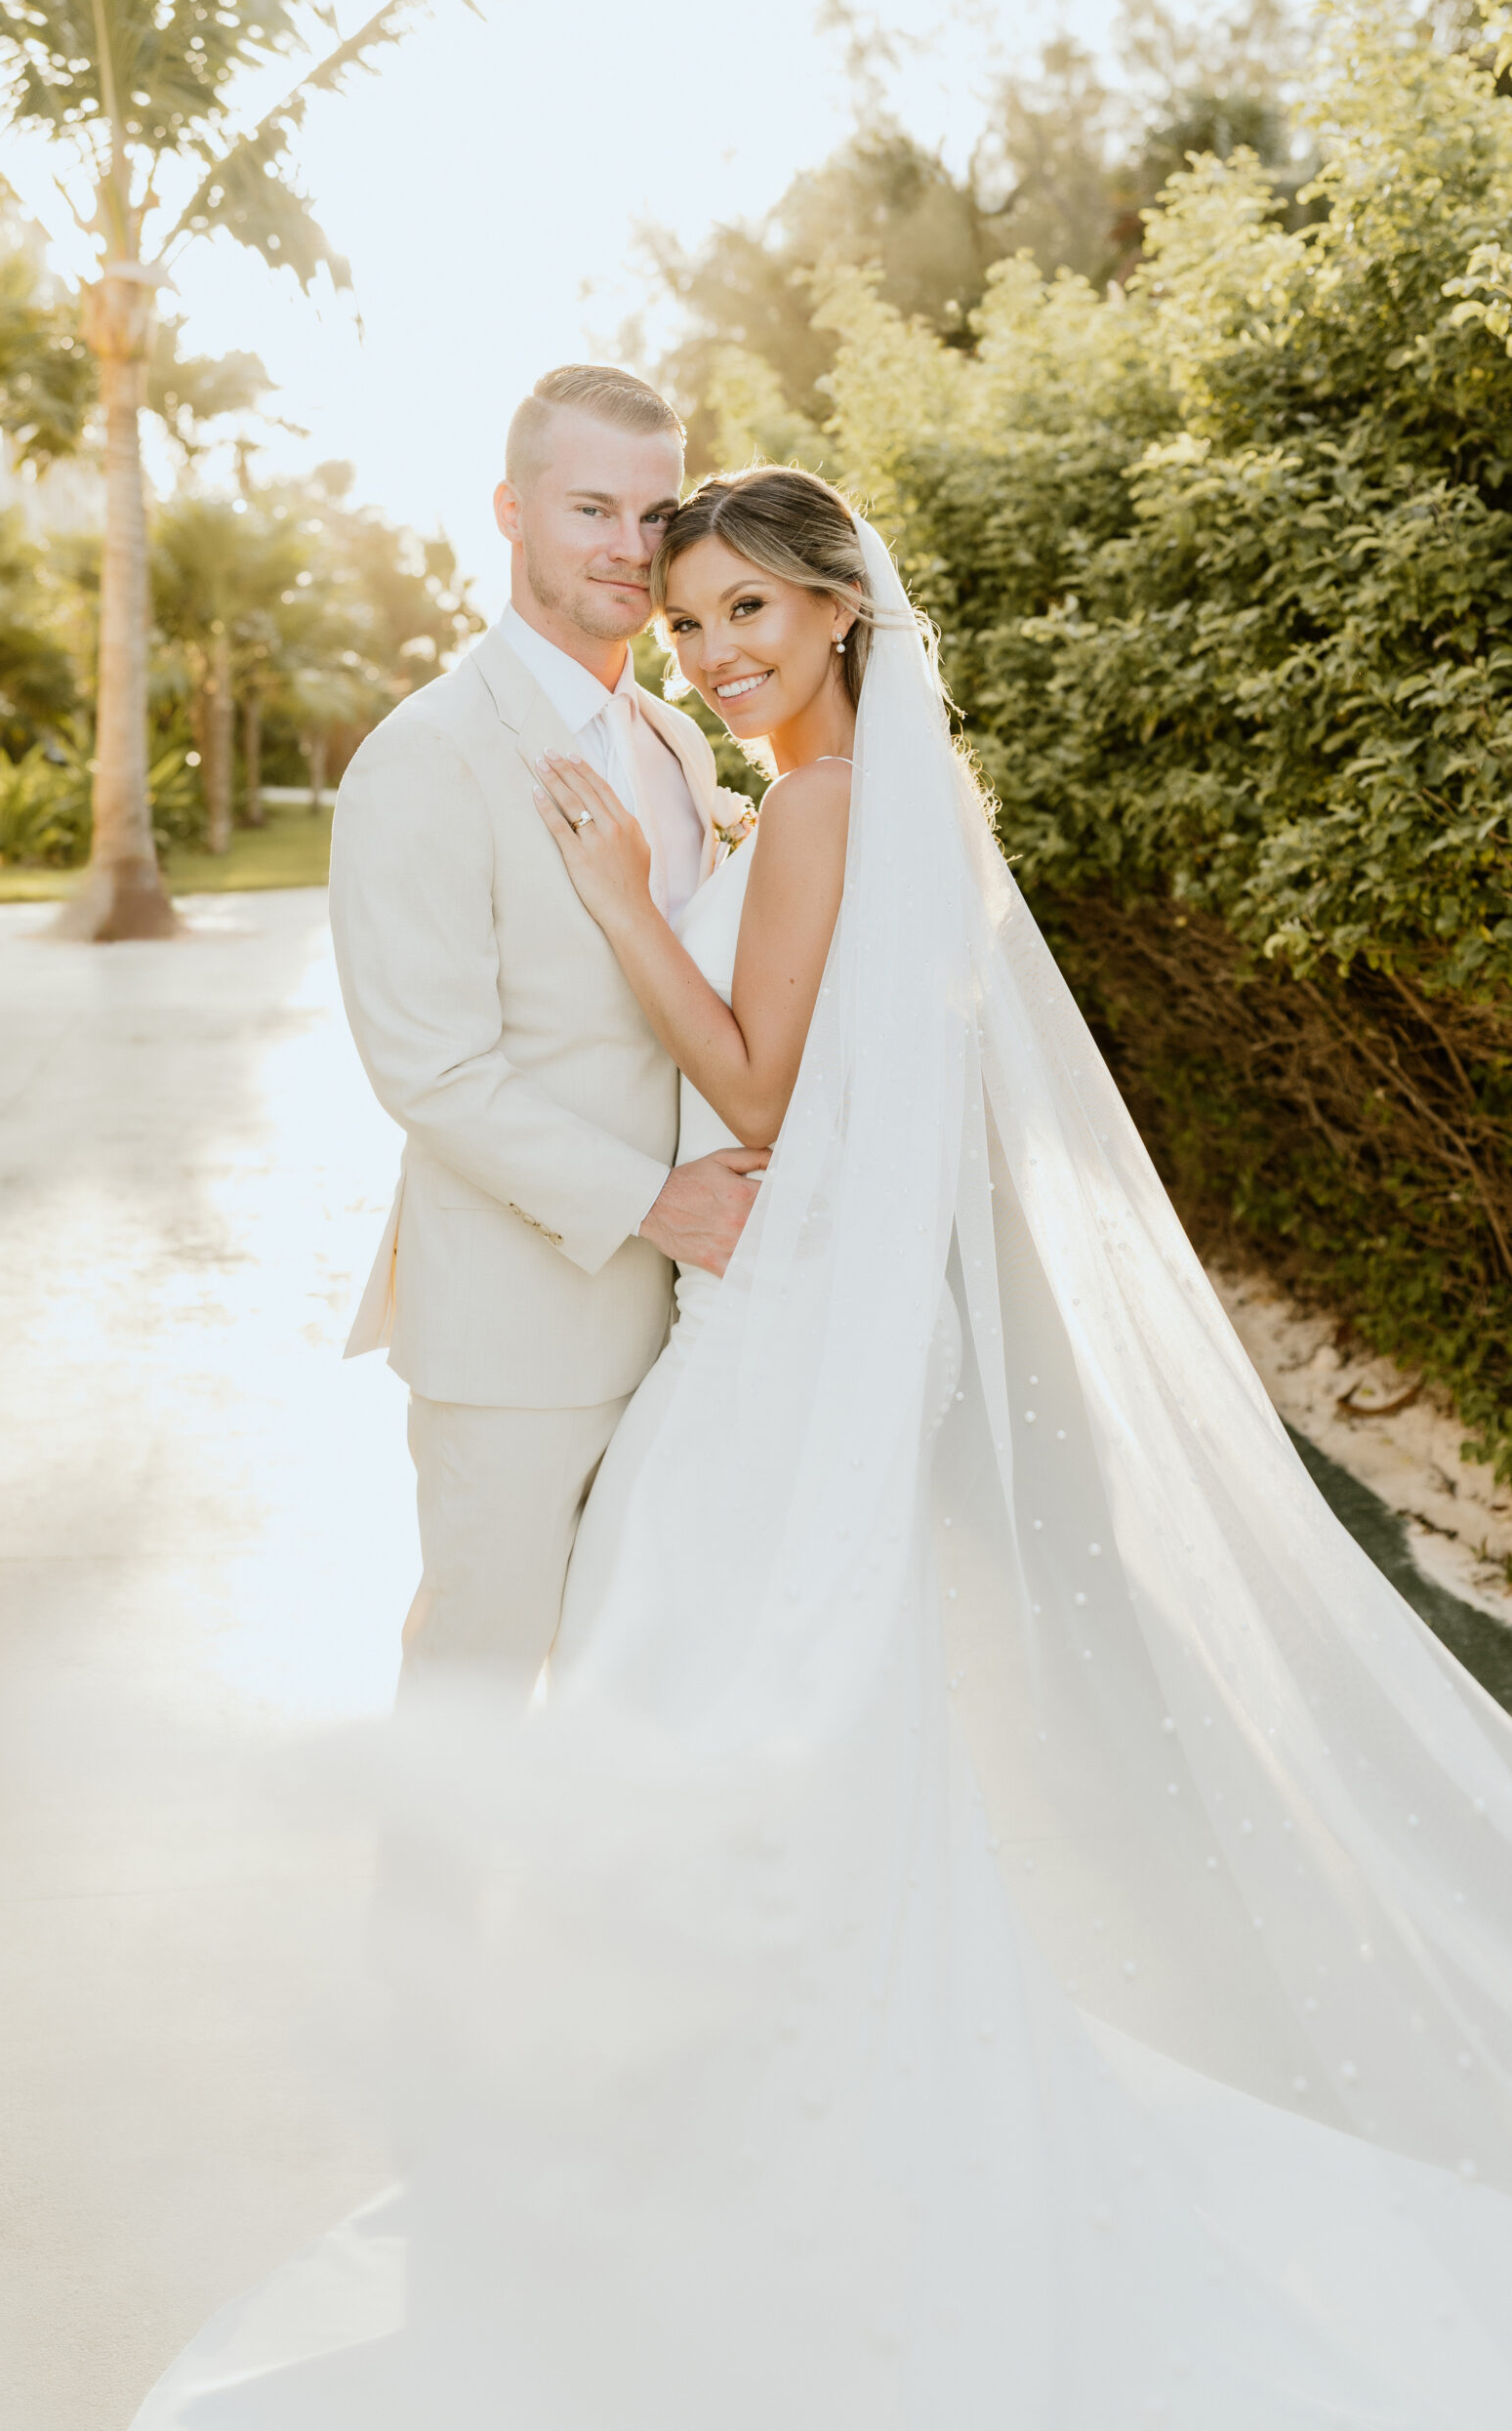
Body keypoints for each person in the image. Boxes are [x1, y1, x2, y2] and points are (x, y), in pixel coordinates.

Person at [134, 469, 1512, 2428]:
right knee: (788, 1708)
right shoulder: (912, 803)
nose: (708, 655)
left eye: (746, 618)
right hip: (822, 1316)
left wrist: (619, 894)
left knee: (690, 1693)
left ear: (838, 614)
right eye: (686, 624)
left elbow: (758, 1079)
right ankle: (780, 2105)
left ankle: (724, 2145)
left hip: (774, 1328)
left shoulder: (814, 807)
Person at [328, 364, 764, 1694]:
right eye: (590, 508)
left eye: (653, 512)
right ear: (511, 512)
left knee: (639, 1694)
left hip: (702, 1320)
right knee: (476, 1690)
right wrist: (661, 1203)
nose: (630, 548)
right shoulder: (429, 753)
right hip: (522, 1334)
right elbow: (435, 1071)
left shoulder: (673, 742)